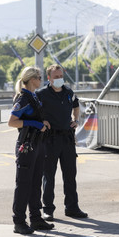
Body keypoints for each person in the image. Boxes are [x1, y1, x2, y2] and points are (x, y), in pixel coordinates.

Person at [37, 64, 87, 220]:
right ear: (49, 78)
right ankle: (48, 210)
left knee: (70, 175)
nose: (59, 79)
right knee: (48, 176)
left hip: (67, 138)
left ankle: (72, 208)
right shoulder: (41, 94)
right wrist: (42, 121)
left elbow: (76, 106)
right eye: (56, 77)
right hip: (49, 139)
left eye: (60, 76)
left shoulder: (68, 92)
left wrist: (76, 120)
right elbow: (33, 112)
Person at [8, 66, 54, 235]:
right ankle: (19, 222)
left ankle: (36, 218)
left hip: (38, 144)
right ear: (32, 79)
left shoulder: (33, 97)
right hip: (26, 145)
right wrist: (35, 124)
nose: (41, 80)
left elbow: (34, 116)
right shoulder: (23, 98)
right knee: (24, 184)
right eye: (39, 77)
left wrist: (44, 123)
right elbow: (12, 121)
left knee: (35, 184)